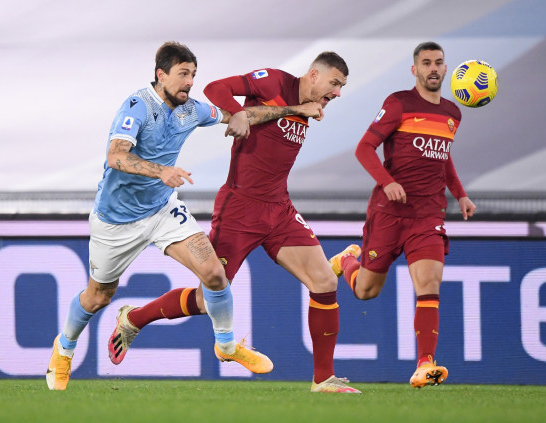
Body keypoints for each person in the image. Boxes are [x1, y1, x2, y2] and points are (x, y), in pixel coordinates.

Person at [46, 41, 323, 391]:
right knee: (98, 297)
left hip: (163, 210)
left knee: (214, 273)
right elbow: (116, 156)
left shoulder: (191, 110)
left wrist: (293, 109)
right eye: (182, 74)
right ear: (161, 75)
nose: (189, 81)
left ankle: (226, 346)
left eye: (193, 74)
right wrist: (160, 171)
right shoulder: (137, 106)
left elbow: (243, 116)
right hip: (116, 220)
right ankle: (64, 349)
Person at [108, 52, 361, 393]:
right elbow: (215, 88)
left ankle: (323, 379)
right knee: (207, 296)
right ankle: (134, 318)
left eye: (342, 87)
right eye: (334, 84)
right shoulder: (273, 80)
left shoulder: (311, 108)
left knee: (323, 283)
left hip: (279, 209)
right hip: (240, 208)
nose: (337, 93)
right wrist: (239, 112)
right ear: (314, 75)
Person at [328, 41, 476, 388]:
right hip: (389, 213)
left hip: (428, 214)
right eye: (426, 63)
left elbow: (444, 159)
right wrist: (387, 181)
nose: (433, 69)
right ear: (415, 70)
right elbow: (364, 148)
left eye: (439, 63)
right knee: (366, 291)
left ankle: (425, 364)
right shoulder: (398, 103)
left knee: (429, 283)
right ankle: (348, 260)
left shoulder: (453, 113)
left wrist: (461, 194)